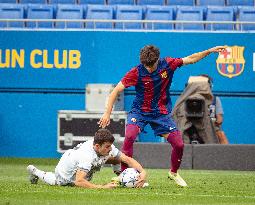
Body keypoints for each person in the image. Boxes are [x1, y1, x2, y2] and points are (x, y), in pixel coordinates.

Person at [98, 45, 226, 187]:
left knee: (179, 144)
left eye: (152, 66)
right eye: (146, 66)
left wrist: (208, 51)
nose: (149, 69)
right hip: (139, 112)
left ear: (157, 60)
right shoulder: (136, 72)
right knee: (129, 137)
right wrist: (107, 113)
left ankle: (173, 172)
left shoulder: (168, 64)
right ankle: (123, 175)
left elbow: (191, 59)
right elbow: (115, 91)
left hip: (160, 113)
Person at [27, 128, 147, 189]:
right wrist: (102, 187)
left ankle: (122, 178)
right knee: (57, 182)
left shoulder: (105, 147)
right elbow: (79, 181)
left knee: (117, 158)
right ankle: (35, 171)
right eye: (107, 147)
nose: (110, 149)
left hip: (76, 159)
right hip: (65, 173)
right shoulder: (87, 156)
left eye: (110, 146)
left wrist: (142, 172)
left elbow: (127, 159)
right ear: (96, 146)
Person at [200, 74, 229, 144]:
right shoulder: (190, 99)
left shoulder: (215, 100)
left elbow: (219, 120)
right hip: (194, 127)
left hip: (211, 128)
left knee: (221, 134)